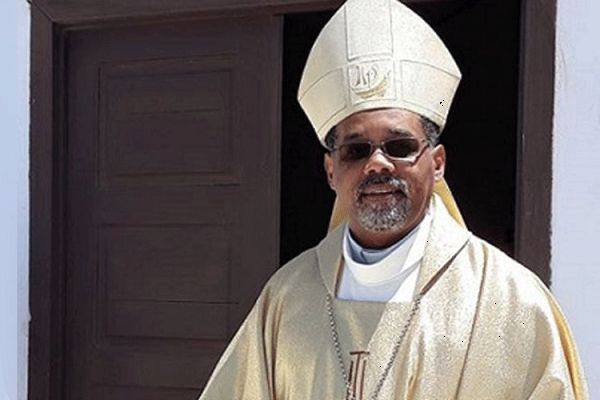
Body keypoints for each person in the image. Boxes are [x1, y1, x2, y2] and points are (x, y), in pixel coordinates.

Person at [198, 0, 589, 398]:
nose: (377, 164)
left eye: (399, 146)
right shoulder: (288, 299)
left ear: (437, 163)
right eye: (356, 150)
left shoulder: (511, 302)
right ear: (331, 171)